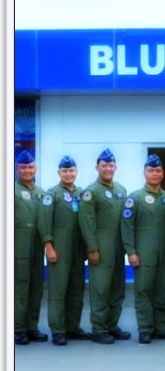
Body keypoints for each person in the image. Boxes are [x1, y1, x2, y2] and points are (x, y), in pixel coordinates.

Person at [121, 155, 165, 345]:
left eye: (158, 170)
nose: (154, 173)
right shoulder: (135, 198)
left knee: (162, 290)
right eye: (151, 170)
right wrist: (131, 251)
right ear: (144, 173)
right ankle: (145, 329)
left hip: (164, 252)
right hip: (144, 252)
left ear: (162, 174)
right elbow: (127, 226)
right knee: (144, 291)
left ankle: (161, 328)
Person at [37, 156, 91, 346]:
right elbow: (44, 221)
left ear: (76, 172)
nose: (68, 174)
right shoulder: (52, 195)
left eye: (71, 170)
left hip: (78, 249)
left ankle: (72, 327)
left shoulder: (82, 194)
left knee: (76, 289)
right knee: (58, 291)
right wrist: (48, 246)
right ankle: (58, 330)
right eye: (65, 171)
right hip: (59, 248)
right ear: (59, 173)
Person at [79, 148, 130, 345]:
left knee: (117, 289)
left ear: (115, 167)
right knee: (100, 289)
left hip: (118, 249)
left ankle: (111, 325)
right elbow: (87, 222)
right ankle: (99, 329)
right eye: (104, 165)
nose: (108, 168)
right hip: (101, 249)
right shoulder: (91, 192)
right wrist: (92, 248)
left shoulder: (121, 190)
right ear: (97, 167)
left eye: (111, 165)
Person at [14, 150, 48, 345]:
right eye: (23, 167)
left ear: (35, 169)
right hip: (18, 249)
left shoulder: (41, 193)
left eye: (30, 167)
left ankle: (31, 327)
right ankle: (18, 328)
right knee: (20, 289)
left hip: (37, 249)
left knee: (36, 288)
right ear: (17, 169)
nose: (27, 170)